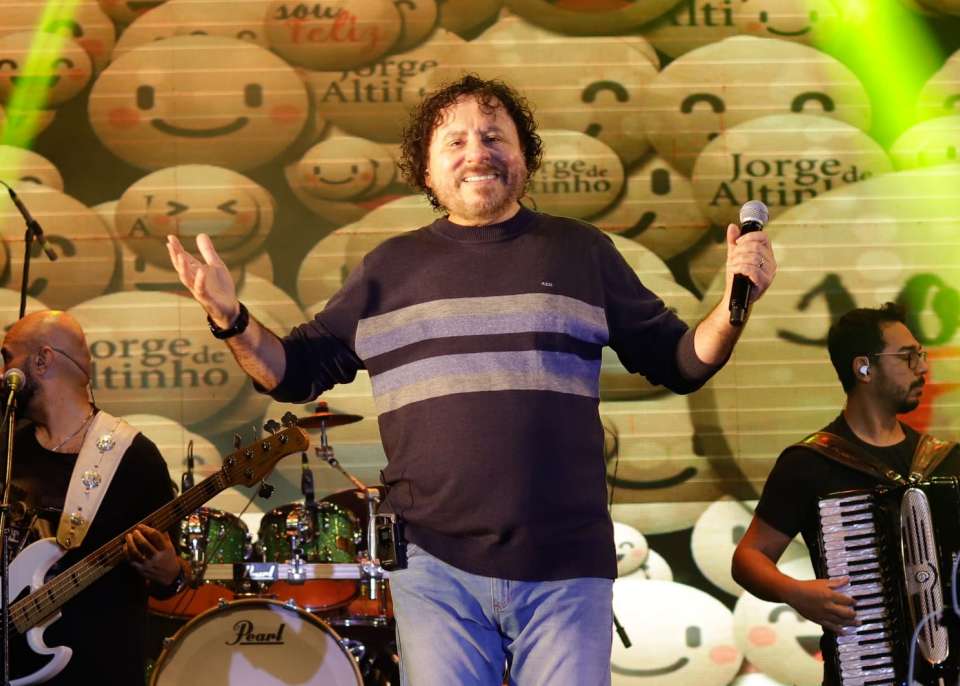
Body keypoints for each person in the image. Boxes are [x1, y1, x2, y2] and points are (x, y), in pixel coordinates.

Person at [167, 74, 777, 685]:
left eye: (493, 136)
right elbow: (292, 373)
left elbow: (679, 362)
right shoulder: (389, 269)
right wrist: (230, 317)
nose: (476, 153)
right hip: (434, 565)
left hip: (566, 560)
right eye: (454, 142)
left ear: (524, 156)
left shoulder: (581, 252)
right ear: (426, 171)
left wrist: (733, 305)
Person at [731, 303, 959, 685]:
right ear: (863, 368)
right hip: (867, 670)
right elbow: (748, 557)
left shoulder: (946, 461)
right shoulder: (809, 463)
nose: (922, 367)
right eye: (908, 356)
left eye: (920, 354)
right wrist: (795, 592)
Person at [2, 310, 187, 685]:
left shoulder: (133, 456)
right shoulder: (7, 446)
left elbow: (173, 579)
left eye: (7, 358)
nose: (2, 372)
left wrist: (168, 570)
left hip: (99, 671)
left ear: (42, 360)